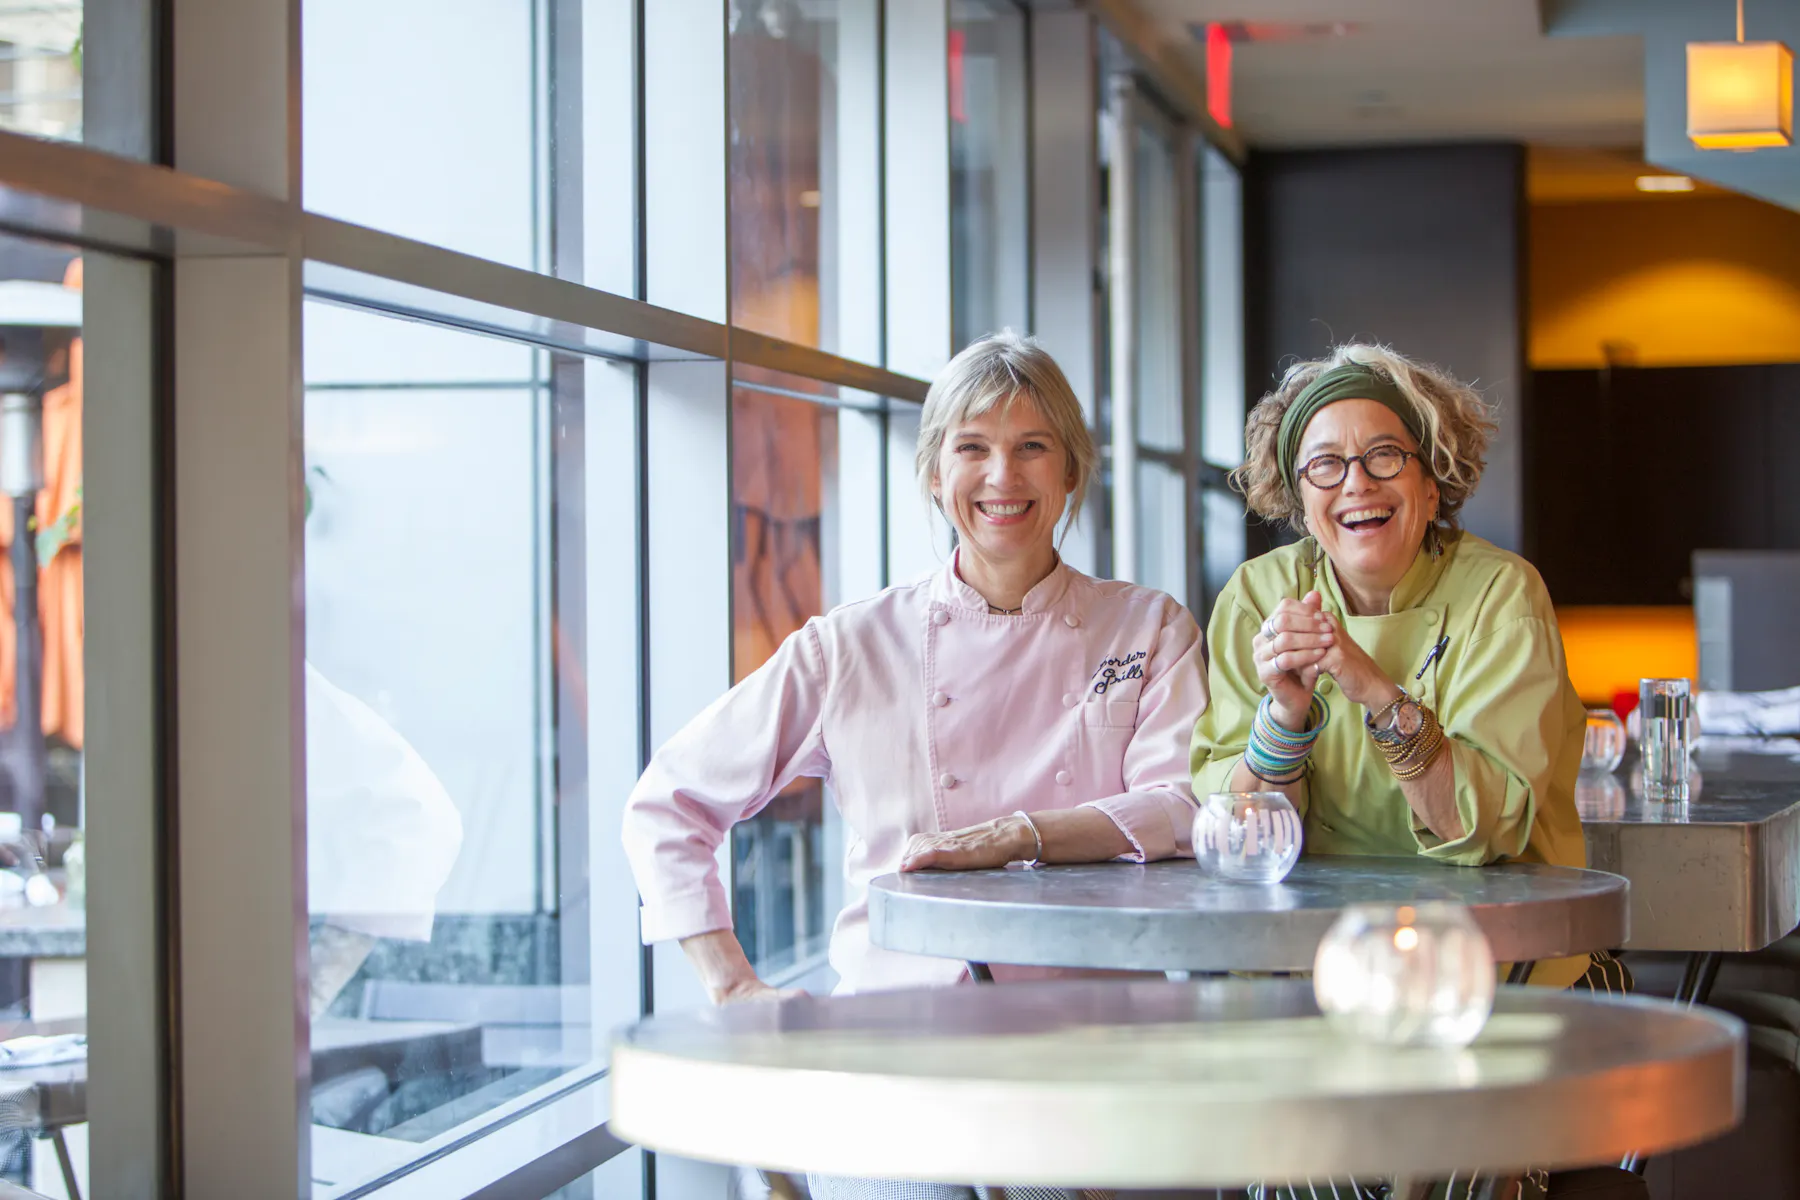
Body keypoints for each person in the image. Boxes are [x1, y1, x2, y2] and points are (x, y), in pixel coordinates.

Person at [622, 331, 1207, 1006]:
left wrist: (1020, 835)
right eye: (972, 448)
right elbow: (668, 802)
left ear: (1071, 469)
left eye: (1033, 447)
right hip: (902, 1019)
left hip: (1097, 1019)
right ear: (935, 473)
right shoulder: (850, 646)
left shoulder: (1148, 627)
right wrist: (730, 984)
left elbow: (1184, 806)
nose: (1002, 476)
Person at [1191, 343, 1620, 996]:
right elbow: (1235, 839)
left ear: (1430, 480)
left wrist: (1371, 688)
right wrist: (1283, 719)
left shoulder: (1500, 593)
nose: (1357, 483)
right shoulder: (1257, 596)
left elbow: (1481, 828)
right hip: (1302, 966)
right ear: (1299, 499)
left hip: (1495, 968)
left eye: (1383, 456)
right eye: (1326, 466)